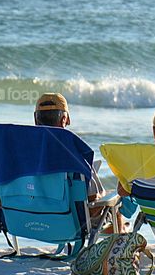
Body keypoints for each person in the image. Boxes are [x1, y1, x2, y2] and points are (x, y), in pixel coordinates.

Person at [34, 93, 117, 229]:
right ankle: (116, 246)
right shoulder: (74, 154)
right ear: (64, 119)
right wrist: (104, 195)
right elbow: (93, 204)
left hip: (26, 219)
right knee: (112, 205)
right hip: (69, 222)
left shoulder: (21, 152)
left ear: (36, 120)